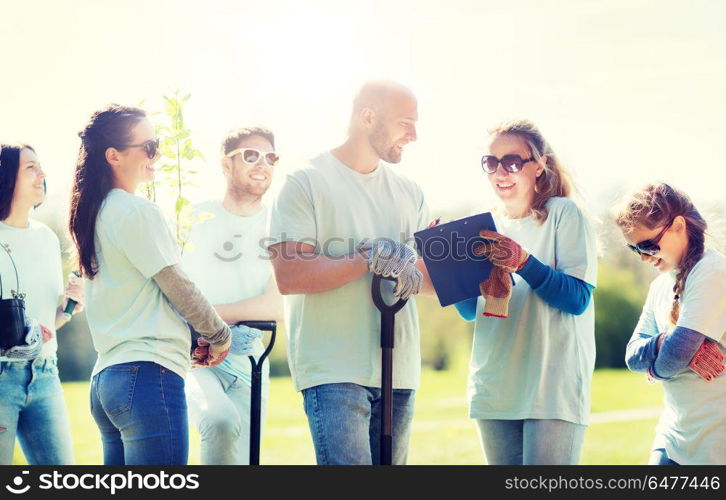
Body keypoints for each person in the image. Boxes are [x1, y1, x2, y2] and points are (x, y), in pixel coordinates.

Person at [68, 104, 254, 465]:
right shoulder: (136, 211)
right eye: (149, 146)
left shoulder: (94, 215)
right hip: (146, 380)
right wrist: (219, 336)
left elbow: (141, 300)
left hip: (108, 380)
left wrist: (187, 339)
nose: (158, 153)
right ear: (113, 156)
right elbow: (179, 286)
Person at [267, 80, 433, 465]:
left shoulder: (411, 193)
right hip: (333, 370)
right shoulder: (305, 181)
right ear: (368, 117)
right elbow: (290, 274)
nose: (414, 135)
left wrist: (470, 263)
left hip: (399, 369)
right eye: (405, 122)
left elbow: (430, 283)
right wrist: (367, 257)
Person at [452, 119, 598, 465]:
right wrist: (448, 268)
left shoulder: (564, 214)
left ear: (538, 166)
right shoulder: (481, 225)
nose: (500, 171)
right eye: (491, 162)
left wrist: (524, 262)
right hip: (494, 385)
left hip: (551, 386)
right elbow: (472, 311)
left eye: (512, 162)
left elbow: (577, 300)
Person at [183, 127, 283, 464]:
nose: (263, 164)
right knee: (219, 421)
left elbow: (275, 305)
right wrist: (209, 327)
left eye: (271, 157)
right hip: (194, 359)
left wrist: (208, 318)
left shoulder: (281, 225)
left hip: (251, 362)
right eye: (251, 155)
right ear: (226, 165)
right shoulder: (193, 218)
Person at [616, 182, 725, 465]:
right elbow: (632, 355)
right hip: (673, 438)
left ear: (678, 226)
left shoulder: (711, 271)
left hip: (717, 440)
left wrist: (654, 369)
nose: (643, 257)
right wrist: (664, 341)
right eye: (634, 248)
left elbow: (678, 355)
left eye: (648, 245)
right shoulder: (658, 287)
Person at [0, 143, 83, 465]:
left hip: (46, 373)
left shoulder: (47, 237)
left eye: (40, 167)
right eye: (30, 167)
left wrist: (68, 307)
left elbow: (51, 321)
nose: (42, 174)